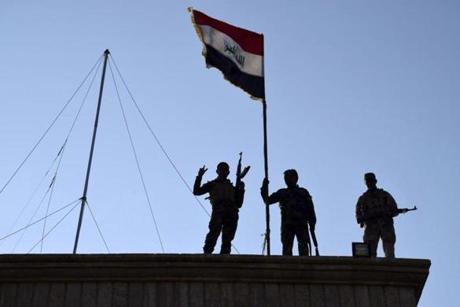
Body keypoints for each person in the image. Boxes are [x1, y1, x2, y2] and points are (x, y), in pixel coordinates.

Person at [260, 169, 316, 256]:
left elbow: (310, 209)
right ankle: (287, 264)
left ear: (295, 178)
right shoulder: (282, 192)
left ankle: (305, 265)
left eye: (289, 177)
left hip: (301, 222)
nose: (286, 179)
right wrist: (264, 187)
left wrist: (312, 223)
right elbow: (268, 201)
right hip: (287, 223)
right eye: (285, 178)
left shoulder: (303, 192)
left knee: (303, 245)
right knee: (287, 246)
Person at [193, 162, 245, 254]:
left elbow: (239, 203)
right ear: (217, 171)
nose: (223, 172)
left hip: (231, 212)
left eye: (225, 170)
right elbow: (197, 191)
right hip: (218, 211)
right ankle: (207, 252)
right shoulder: (213, 184)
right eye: (221, 169)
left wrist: (241, 190)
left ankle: (225, 253)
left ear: (228, 172)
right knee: (214, 232)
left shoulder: (232, 187)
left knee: (227, 237)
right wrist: (199, 177)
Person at [355, 172, 398, 258]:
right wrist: (366, 217)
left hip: (385, 225)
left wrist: (386, 213)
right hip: (371, 227)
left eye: (371, 181)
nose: (369, 183)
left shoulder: (384, 195)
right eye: (368, 181)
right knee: (370, 250)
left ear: (375, 181)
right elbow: (358, 215)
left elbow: (394, 209)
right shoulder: (363, 199)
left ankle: (390, 266)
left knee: (389, 248)